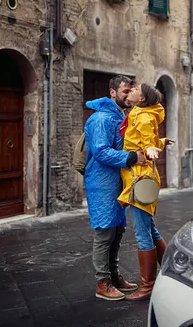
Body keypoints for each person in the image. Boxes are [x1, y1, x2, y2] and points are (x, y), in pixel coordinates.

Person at [84, 75, 147, 301]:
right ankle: (102, 283)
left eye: (131, 90)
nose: (129, 95)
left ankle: (114, 275)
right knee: (104, 232)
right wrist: (131, 157)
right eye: (125, 91)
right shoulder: (101, 118)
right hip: (102, 183)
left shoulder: (120, 115)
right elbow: (100, 152)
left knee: (117, 231)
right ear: (112, 92)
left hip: (116, 183)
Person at [117, 83, 174, 300]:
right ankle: (172, 271)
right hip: (141, 178)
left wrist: (152, 148)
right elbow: (146, 139)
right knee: (150, 229)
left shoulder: (142, 117)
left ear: (141, 99)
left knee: (142, 233)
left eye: (134, 89)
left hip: (139, 180)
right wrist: (159, 142)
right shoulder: (141, 114)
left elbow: (147, 142)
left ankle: (147, 286)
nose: (130, 90)